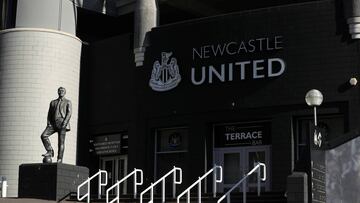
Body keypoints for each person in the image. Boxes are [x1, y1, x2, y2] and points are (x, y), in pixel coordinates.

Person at [41, 87, 72, 163]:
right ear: (57, 92)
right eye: (60, 91)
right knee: (43, 135)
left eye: (63, 91)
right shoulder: (53, 102)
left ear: (65, 92)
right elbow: (49, 114)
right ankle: (50, 151)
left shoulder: (68, 102)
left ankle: (59, 159)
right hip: (53, 124)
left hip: (62, 123)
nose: (61, 92)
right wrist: (48, 123)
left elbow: (69, 113)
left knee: (61, 142)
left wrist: (65, 123)